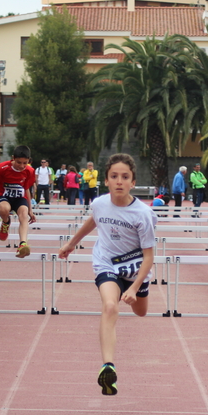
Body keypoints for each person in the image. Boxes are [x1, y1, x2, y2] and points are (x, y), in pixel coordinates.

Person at [58, 153, 158, 396]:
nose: (119, 181)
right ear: (106, 180)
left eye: (125, 177)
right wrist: (72, 243)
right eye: (114, 176)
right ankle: (108, 367)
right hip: (106, 265)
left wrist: (134, 287)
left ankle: (134, 293)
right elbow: (94, 220)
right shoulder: (99, 203)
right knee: (110, 306)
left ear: (133, 182)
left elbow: (149, 256)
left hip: (135, 271)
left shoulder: (143, 214)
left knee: (141, 312)